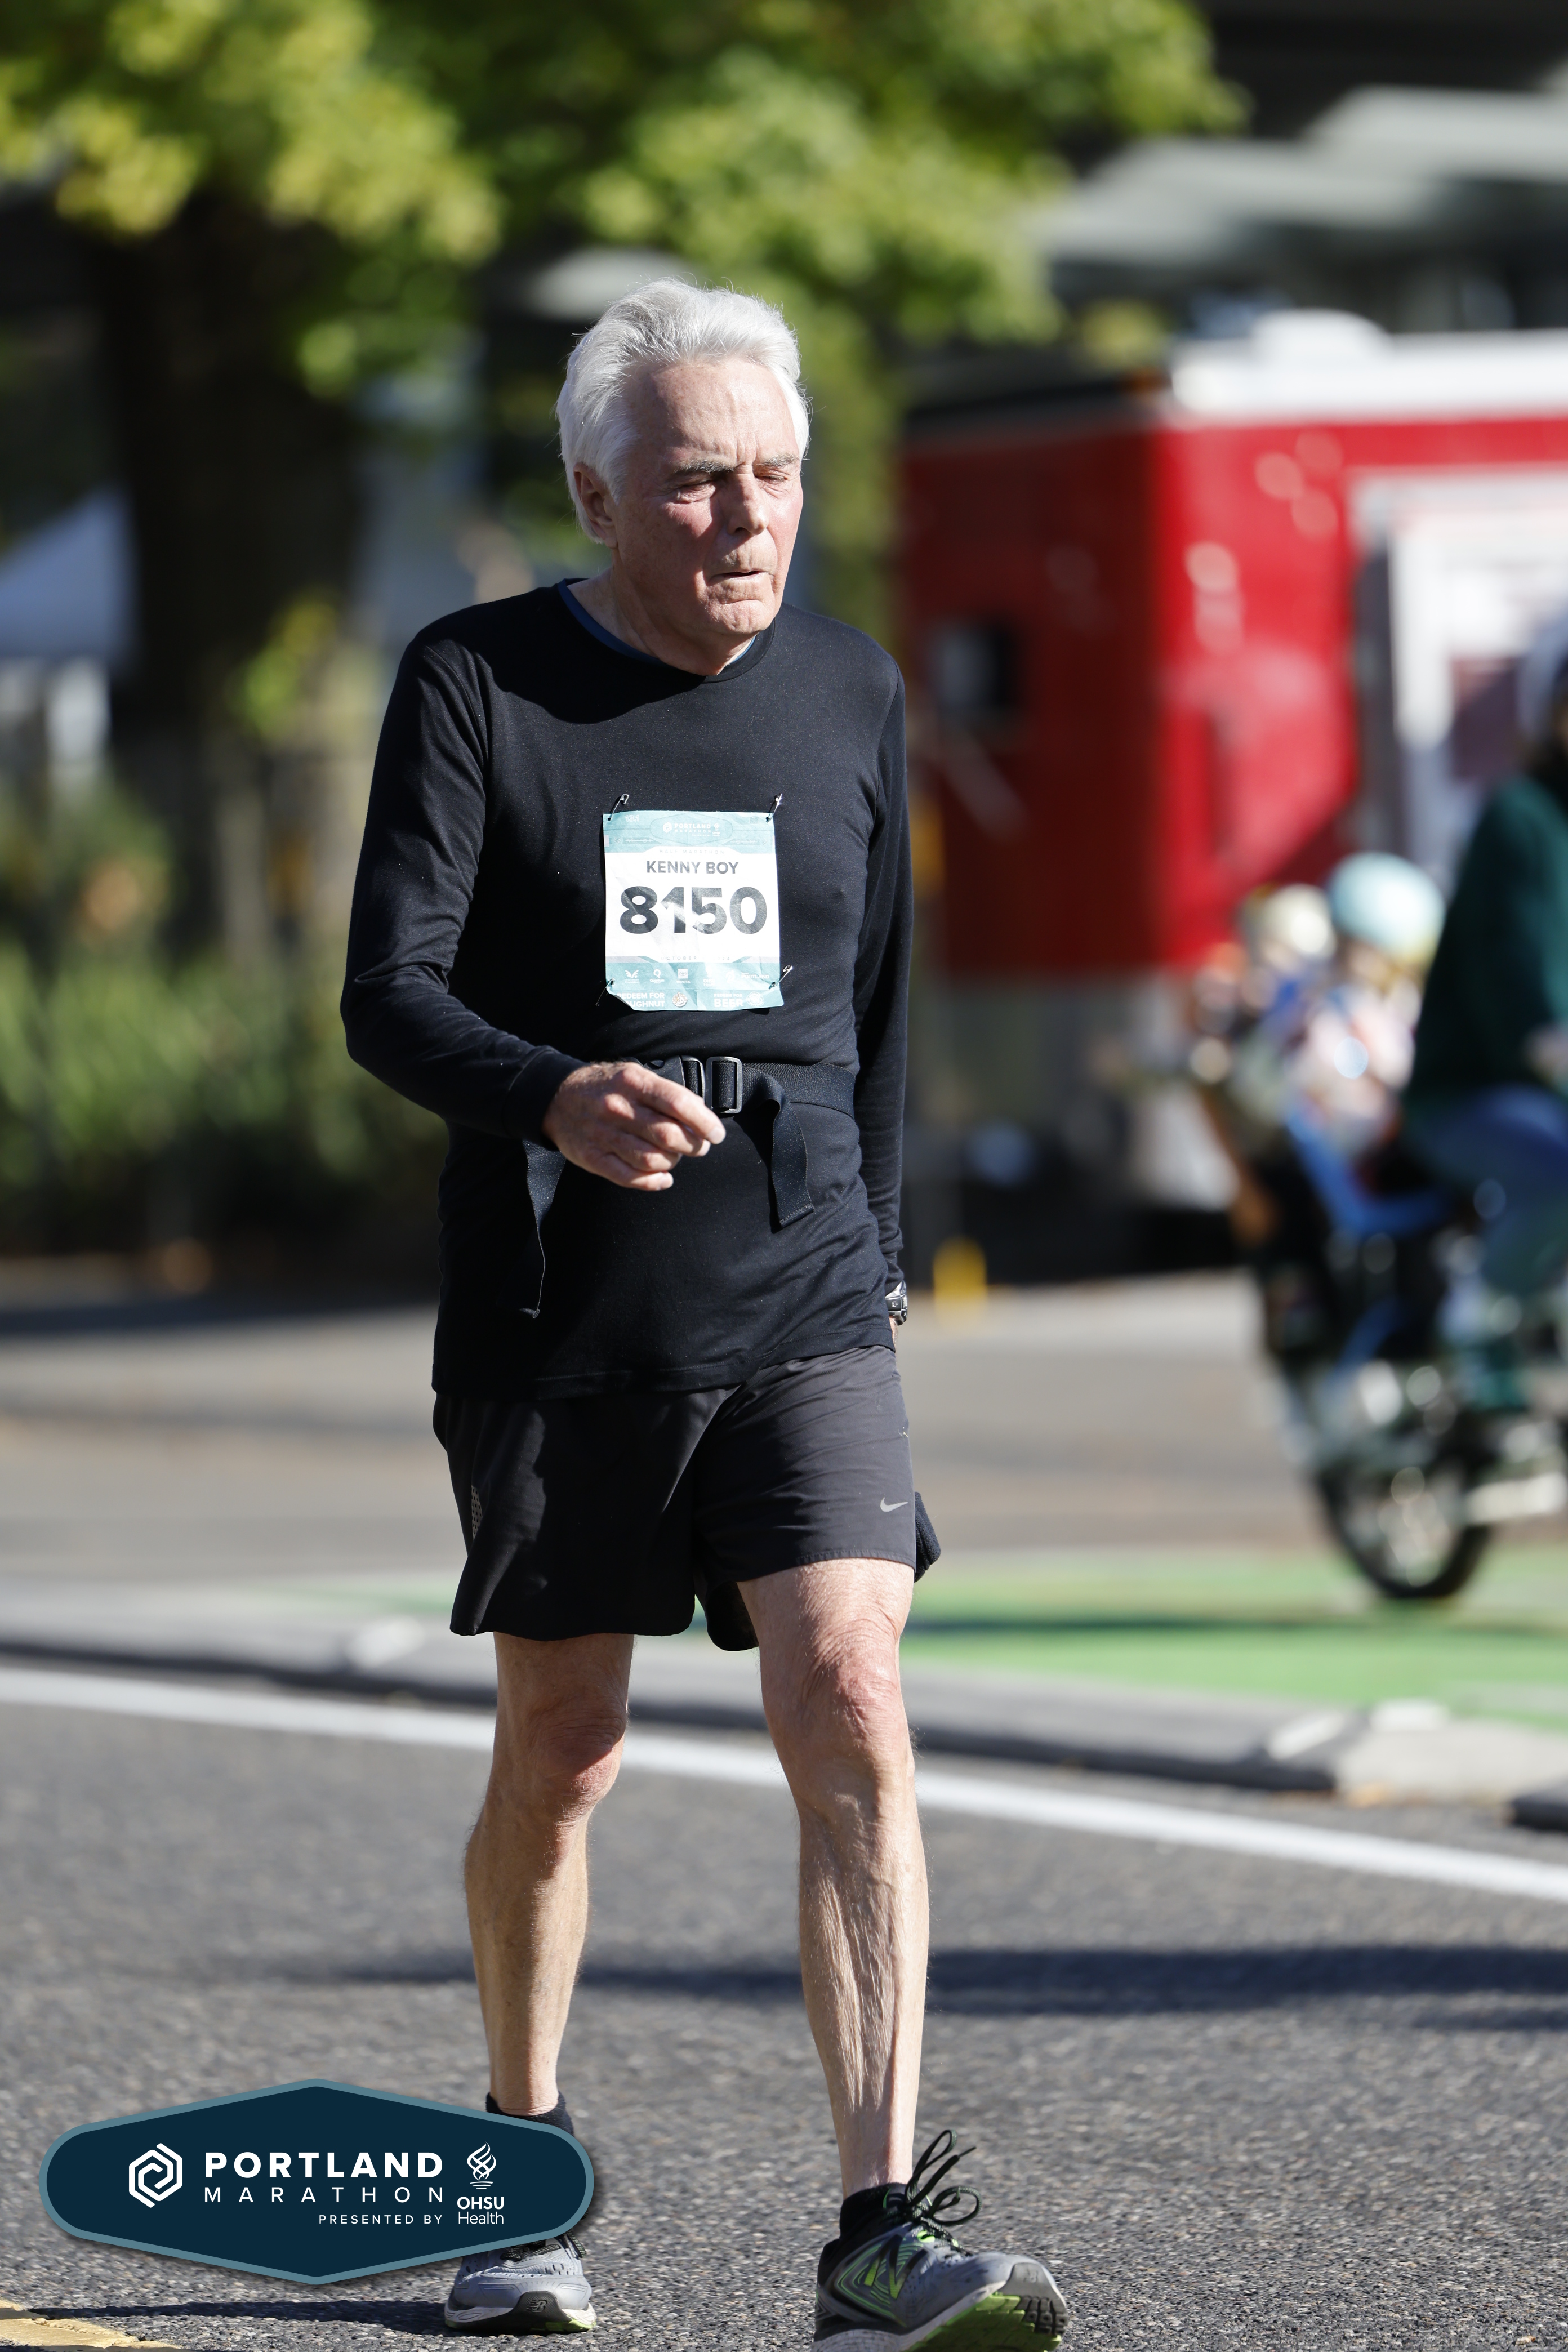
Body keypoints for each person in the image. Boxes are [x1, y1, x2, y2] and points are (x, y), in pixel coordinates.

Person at [341, 279, 1067, 2349]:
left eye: (777, 475)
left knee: (850, 1689)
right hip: (567, 1302)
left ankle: (878, 2233)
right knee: (566, 1749)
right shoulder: (478, 681)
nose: (748, 516)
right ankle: (520, 2179)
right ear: (596, 493)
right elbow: (387, 990)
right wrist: (550, 1093)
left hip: (809, 1289)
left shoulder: (848, 686)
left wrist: (882, 1254)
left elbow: (879, 1008)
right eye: (695, 483)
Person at [1404, 622, 1568, 1352]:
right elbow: (1515, 975)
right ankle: (1483, 1317)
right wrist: (1552, 1050)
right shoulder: (1519, 820)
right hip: (1473, 1091)